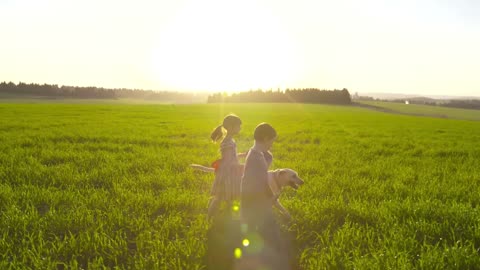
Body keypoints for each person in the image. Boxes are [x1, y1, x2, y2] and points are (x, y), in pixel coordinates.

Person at [208, 114, 245, 219]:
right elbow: (229, 162)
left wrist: (242, 155)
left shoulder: (230, 140)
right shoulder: (228, 142)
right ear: (231, 127)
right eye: (238, 126)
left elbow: (231, 156)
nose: (240, 128)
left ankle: (228, 216)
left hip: (229, 172)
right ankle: (209, 217)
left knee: (230, 196)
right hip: (227, 174)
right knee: (219, 197)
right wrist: (241, 166)